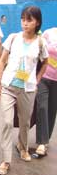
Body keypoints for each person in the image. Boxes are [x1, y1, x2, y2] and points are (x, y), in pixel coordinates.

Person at [0, 6, 48, 175]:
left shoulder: (40, 42)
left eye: (29, 20)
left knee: (24, 123)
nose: (25, 23)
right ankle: (6, 160)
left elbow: (45, 62)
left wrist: (37, 80)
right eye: (23, 19)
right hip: (8, 86)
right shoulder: (13, 38)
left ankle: (22, 147)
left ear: (37, 22)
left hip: (28, 88)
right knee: (8, 123)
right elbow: (2, 61)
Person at [35, 27, 57, 155]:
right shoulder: (49, 33)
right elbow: (39, 51)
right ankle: (41, 143)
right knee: (42, 107)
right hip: (44, 76)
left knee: (52, 110)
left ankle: (46, 139)